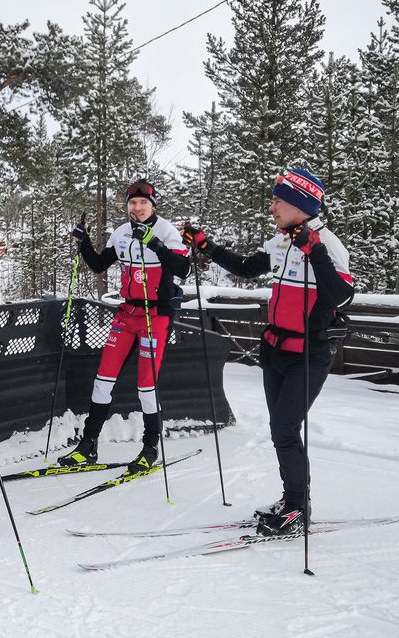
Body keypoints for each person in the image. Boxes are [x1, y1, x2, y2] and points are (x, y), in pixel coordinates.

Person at [181, 168, 353, 536]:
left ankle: (298, 509)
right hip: (275, 350)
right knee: (280, 431)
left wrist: (315, 251)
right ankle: (291, 501)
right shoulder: (279, 242)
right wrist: (205, 245)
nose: (271, 207)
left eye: (277, 201)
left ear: (299, 205)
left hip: (308, 354)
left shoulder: (329, 244)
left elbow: (342, 297)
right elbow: (245, 268)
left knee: (285, 428)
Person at [59, 178, 190, 473]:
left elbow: (183, 268)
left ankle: (150, 447)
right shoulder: (120, 233)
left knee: (146, 386)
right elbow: (98, 264)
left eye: (144, 202)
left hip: (155, 316)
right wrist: (83, 242)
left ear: (152, 205)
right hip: (127, 313)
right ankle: (88, 444)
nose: (138, 207)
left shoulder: (166, 231)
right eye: (133, 202)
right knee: (103, 380)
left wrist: (154, 243)